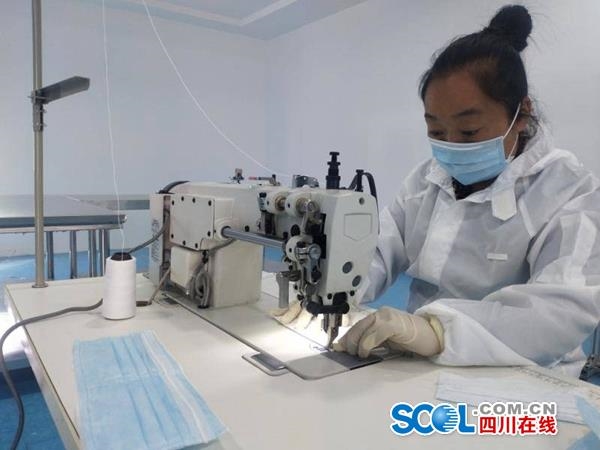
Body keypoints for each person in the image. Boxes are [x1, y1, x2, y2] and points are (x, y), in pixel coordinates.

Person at [332, 4, 600, 377]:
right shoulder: (424, 181)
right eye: (436, 132)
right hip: (420, 361)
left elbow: (558, 312)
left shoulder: (570, 190)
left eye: (469, 132)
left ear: (521, 114)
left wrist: (436, 331)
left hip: (526, 376)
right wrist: (336, 288)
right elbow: (378, 250)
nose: (451, 146)